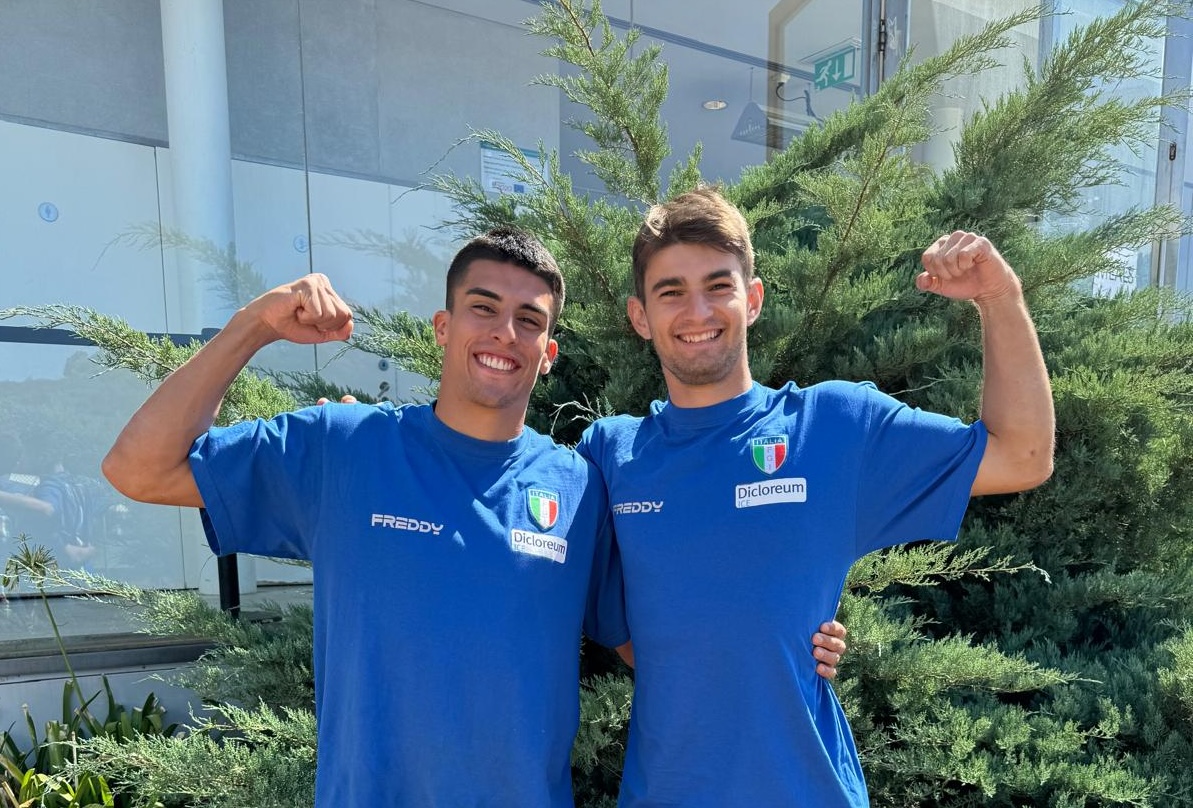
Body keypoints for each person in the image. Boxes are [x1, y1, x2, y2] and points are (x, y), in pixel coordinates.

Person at [101, 227, 847, 806]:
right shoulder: (342, 449)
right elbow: (138, 468)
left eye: (529, 320)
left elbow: (646, 642)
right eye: (482, 309)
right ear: (442, 326)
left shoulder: (579, 487)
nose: (503, 334)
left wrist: (786, 639)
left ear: (548, 352)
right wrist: (254, 326)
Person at [577, 187, 1055, 807]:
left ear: (751, 300)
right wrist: (765, 643)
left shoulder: (834, 427)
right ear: (640, 316)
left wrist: (999, 296)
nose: (697, 311)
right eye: (670, 291)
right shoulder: (611, 457)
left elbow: (1023, 455)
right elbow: (620, 626)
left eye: (718, 286)